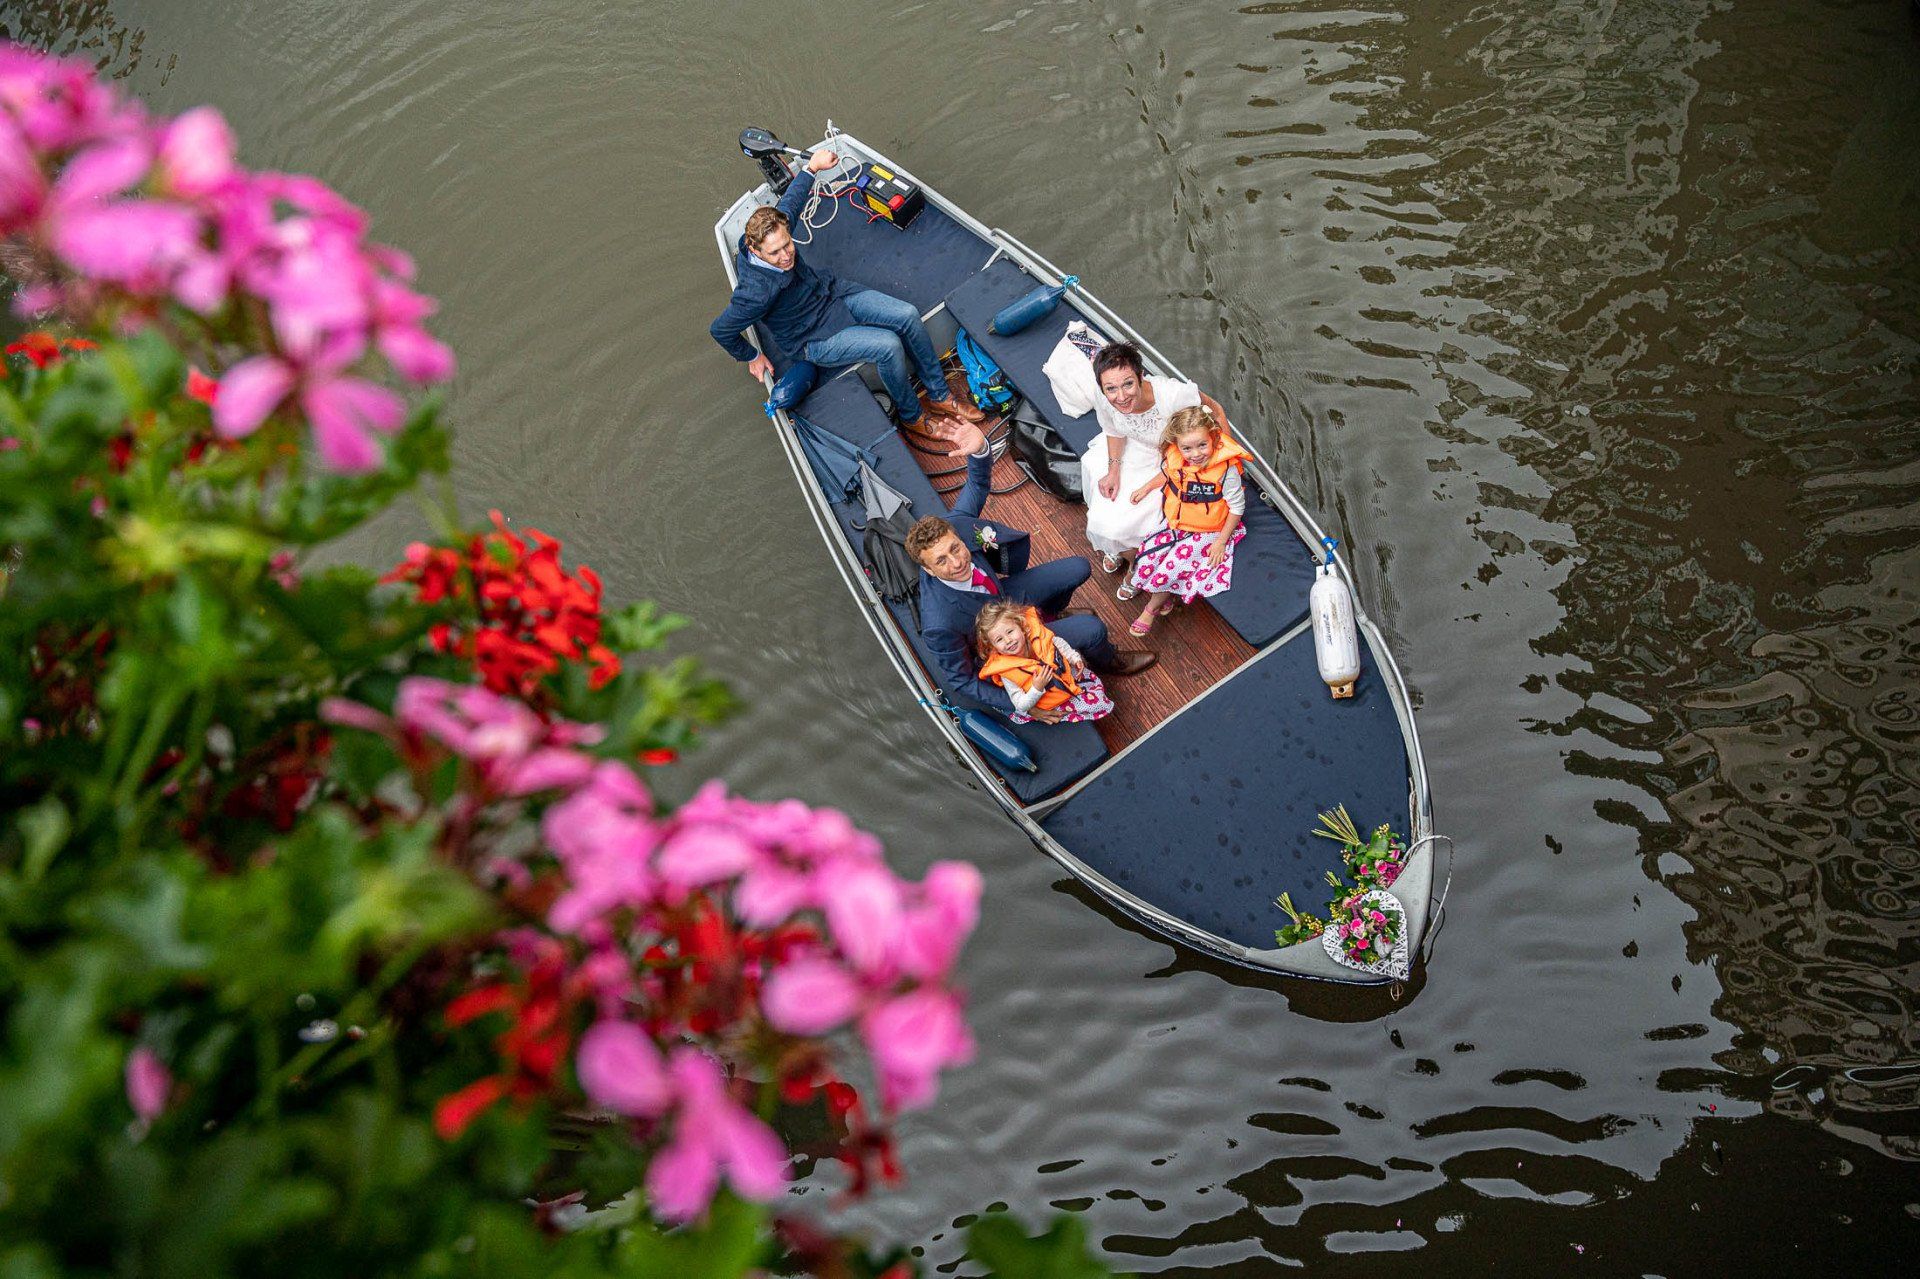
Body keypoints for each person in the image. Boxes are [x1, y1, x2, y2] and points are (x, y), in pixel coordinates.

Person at [709, 149, 983, 432]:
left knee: (907, 315)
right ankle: (912, 416)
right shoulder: (754, 293)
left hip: (831, 295)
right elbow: (721, 330)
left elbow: (791, 203)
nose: (786, 255)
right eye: (775, 253)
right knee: (887, 346)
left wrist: (811, 169)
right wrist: (752, 356)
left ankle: (939, 395)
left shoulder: (777, 230)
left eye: (787, 244)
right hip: (811, 336)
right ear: (755, 250)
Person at [908, 420, 1155, 722]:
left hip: (1005, 599)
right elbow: (962, 680)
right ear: (928, 570)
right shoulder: (940, 624)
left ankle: (1048, 616)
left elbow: (977, 485)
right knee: (1093, 630)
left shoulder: (957, 525)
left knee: (1078, 568)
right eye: (941, 562)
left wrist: (980, 450)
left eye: (955, 549)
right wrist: (1023, 704)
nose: (957, 562)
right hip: (1002, 640)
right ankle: (1109, 660)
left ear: (957, 537)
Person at [1076, 341, 1234, 594]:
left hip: (1174, 459)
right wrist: (1114, 469)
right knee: (1101, 513)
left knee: (1127, 520)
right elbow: (1113, 430)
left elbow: (1215, 410)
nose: (1121, 396)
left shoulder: (1173, 395)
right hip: (1132, 451)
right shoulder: (1105, 397)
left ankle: (1135, 566)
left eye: (1128, 384)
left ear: (1140, 376)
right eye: (1111, 389)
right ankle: (1121, 550)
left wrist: (1229, 460)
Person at [1124, 406, 1251, 635]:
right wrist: (1146, 488)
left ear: (1213, 437)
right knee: (1150, 553)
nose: (1195, 454)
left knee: (1172, 565)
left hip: (1210, 530)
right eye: (1187, 448)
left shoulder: (1226, 470)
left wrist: (1220, 542)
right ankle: (1166, 597)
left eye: (1202, 445)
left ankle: (1151, 609)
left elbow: (1237, 507)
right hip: (1179, 523)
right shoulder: (1177, 457)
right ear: (1178, 445)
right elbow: (1168, 474)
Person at [974, 600, 1115, 725]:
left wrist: (1074, 657)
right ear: (993, 647)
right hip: (1050, 700)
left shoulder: (1038, 637)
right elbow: (1020, 705)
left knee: (1091, 682)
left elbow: (1058, 643)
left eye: (1010, 631)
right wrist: (1037, 688)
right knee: (1096, 704)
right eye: (999, 640)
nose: (1008, 641)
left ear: (1022, 627)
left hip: (1067, 677)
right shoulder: (1007, 674)